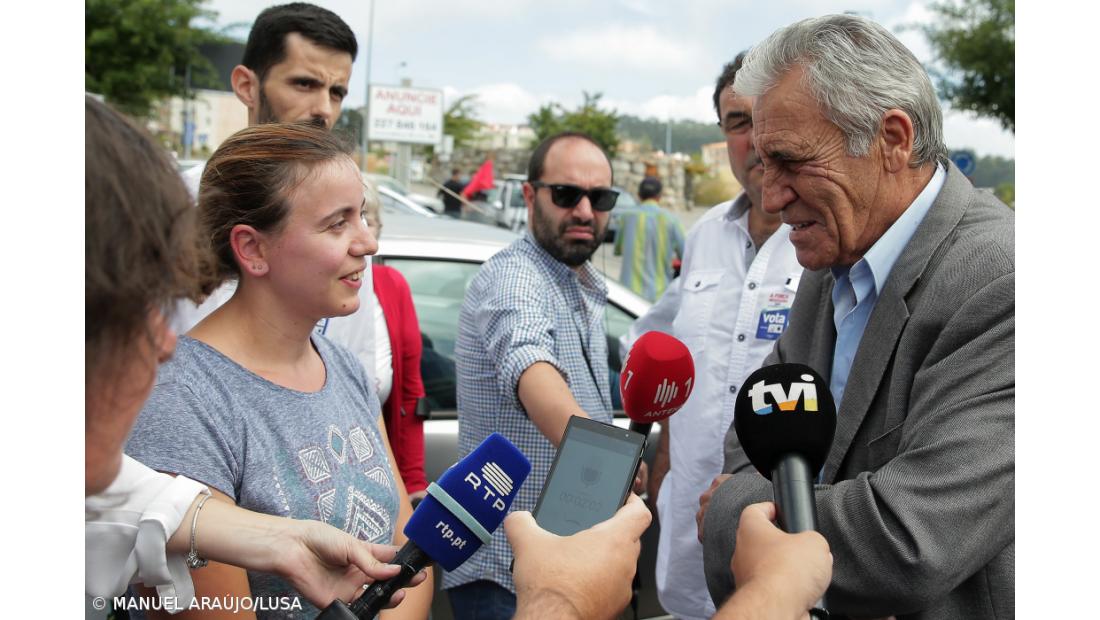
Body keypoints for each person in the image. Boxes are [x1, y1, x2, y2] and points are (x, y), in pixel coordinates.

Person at [698, 15, 1014, 620]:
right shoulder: (830, 265)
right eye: (764, 164)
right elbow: (751, 430)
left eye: (791, 162)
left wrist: (730, 513)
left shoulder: (1006, 284)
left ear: (893, 139)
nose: (771, 196)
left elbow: (908, 540)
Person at [84, 96, 426, 613]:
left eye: (362, 216)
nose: (368, 242)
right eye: (337, 223)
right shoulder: (186, 397)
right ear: (253, 249)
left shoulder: (345, 367)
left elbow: (404, 559)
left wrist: (281, 542)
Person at [620, 51, 803, 620]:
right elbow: (662, 349)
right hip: (684, 539)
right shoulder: (704, 236)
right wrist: (665, 461)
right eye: (737, 123)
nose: (754, 139)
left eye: (765, 117)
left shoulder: (825, 243)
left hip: (778, 542)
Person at [443, 132, 631, 620]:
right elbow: (531, 365)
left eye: (601, 197)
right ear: (529, 196)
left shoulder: (577, 279)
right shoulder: (515, 278)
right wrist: (612, 465)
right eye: (567, 194)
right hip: (507, 576)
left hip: (559, 566)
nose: (586, 211)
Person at [170, 2, 377, 381]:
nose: (323, 110)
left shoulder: (352, 233)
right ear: (247, 86)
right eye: (304, 84)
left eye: (337, 92)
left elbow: (362, 374)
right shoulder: (169, 210)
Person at [362, 186, 429, 503]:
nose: (359, 231)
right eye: (342, 220)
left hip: (383, 481)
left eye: (367, 218)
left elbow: (412, 390)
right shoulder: (315, 297)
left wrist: (413, 480)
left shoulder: (392, 285)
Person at [613, 176, 685, 301]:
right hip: (659, 295)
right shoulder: (671, 220)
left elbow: (618, 250)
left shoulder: (625, 217)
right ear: (659, 196)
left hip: (628, 295)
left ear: (639, 195)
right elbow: (686, 255)